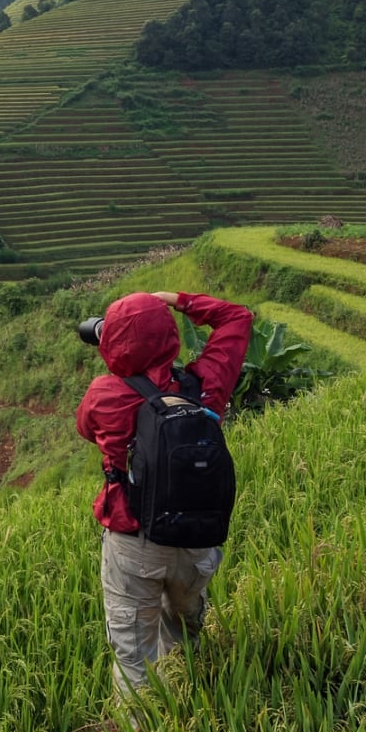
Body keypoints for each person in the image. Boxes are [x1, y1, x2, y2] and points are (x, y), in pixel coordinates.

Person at [76, 289, 252, 697]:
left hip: (134, 544)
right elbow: (238, 317)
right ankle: (189, 697)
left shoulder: (104, 395)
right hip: (196, 541)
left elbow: (86, 429)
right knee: (185, 630)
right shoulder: (205, 384)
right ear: (169, 336)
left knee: (134, 657)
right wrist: (177, 300)